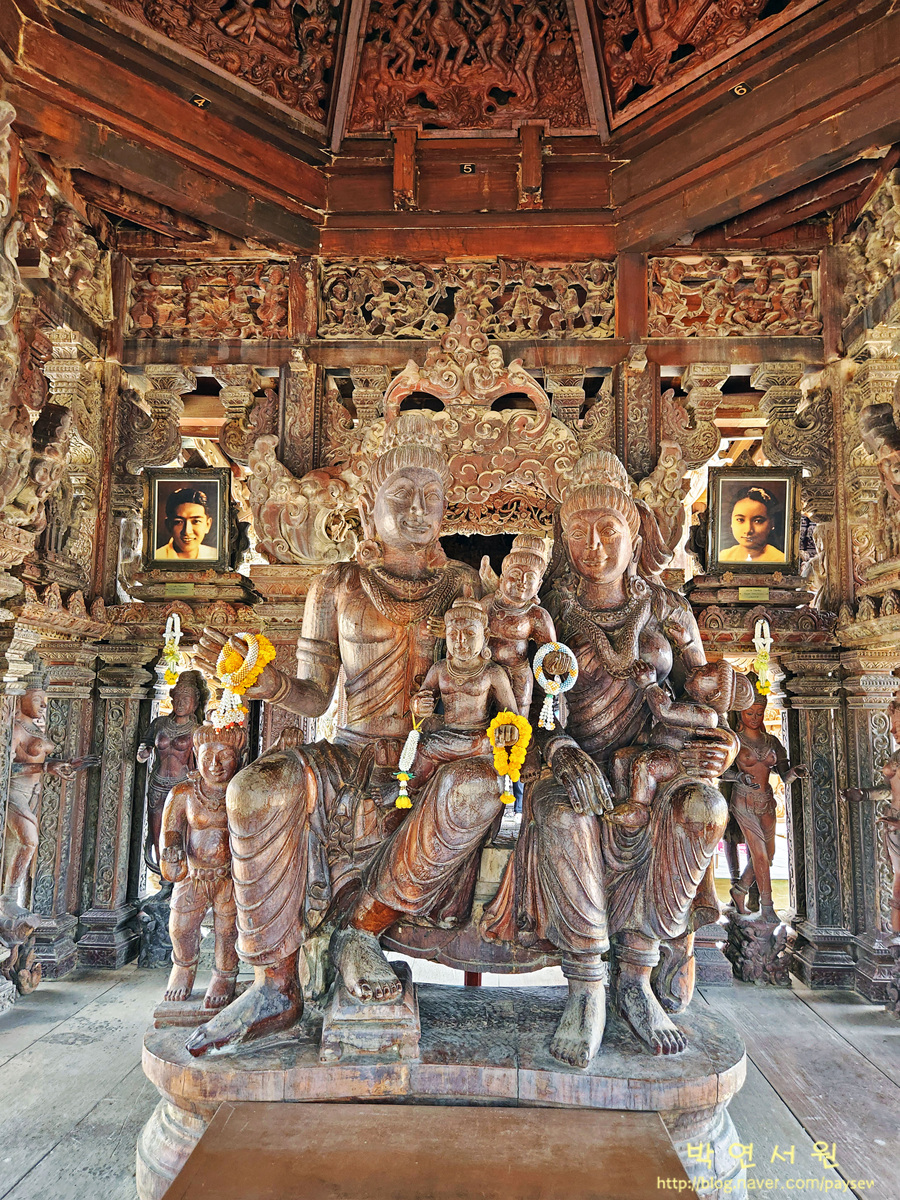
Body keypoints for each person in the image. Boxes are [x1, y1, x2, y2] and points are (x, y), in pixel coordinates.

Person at [185, 413, 481, 1055]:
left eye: (431, 495)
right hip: (350, 749)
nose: (417, 509)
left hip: (432, 754)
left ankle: (361, 931)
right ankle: (275, 983)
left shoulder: (462, 586)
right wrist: (263, 682)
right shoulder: (338, 584)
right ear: (369, 503)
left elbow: (483, 675)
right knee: (253, 790)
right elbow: (315, 694)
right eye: (401, 493)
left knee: (476, 790)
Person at [482, 450, 738, 1063]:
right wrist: (558, 748)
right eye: (579, 533)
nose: (594, 546)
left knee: (702, 810)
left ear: (635, 532)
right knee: (563, 813)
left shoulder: (669, 610)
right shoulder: (548, 609)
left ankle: (637, 976)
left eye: (608, 530)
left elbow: (708, 699)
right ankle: (587, 983)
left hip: (655, 762)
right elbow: (516, 703)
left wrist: (720, 746)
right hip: (567, 757)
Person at [608, 661, 754, 830]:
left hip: (677, 758)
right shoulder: (688, 701)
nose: (696, 668)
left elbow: (666, 711)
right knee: (620, 759)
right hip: (660, 748)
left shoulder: (707, 715)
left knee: (647, 764)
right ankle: (621, 802)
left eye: (704, 671)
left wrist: (650, 685)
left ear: (713, 694)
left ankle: (639, 809)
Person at [161, 724, 245, 1011]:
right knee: (181, 928)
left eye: (225, 756)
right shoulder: (184, 792)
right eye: (208, 756)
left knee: (227, 930)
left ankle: (224, 975)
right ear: (196, 756)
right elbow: (171, 830)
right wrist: (172, 849)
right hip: (193, 874)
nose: (215, 765)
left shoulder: (243, 792)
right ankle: (183, 967)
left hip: (229, 875)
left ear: (240, 758)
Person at [724, 687, 807, 924]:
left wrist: (795, 772)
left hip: (767, 801)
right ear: (741, 713)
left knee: (768, 854)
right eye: (749, 713)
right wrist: (737, 777)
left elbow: (784, 776)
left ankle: (740, 890)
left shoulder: (772, 742)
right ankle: (767, 907)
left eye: (759, 713)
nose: (754, 718)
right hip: (743, 800)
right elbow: (719, 771)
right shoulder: (734, 740)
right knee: (759, 854)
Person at [136, 670, 208, 875]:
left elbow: (202, 762)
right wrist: (144, 752)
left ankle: (180, 876)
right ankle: (163, 877)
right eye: (178, 697)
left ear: (195, 703)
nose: (181, 703)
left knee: (180, 834)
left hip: (182, 787)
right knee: (157, 833)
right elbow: (145, 745)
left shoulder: (197, 730)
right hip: (158, 785)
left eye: (187, 699)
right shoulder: (159, 724)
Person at [844, 690, 900, 942]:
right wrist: (864, 794)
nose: (893, 732)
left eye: (898, 727)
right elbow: (891, 791)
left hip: (896, 823)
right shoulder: (896, 757)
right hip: (893, 825)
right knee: (897, 882)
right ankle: (896, 937)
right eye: (893, 725)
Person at [719, 485, 785, 563]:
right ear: (731, 521)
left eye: (758, 521)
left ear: (772, 523)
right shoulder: (723, 557)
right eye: (740, 520)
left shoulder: (780, 560)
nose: (748, 530)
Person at [156, 486, 218, 560]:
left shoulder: (216, 556)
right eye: (179, 522)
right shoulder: (156, 558)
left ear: (208, 525)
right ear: (168, 525)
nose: (187, 531)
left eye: (196, 521)